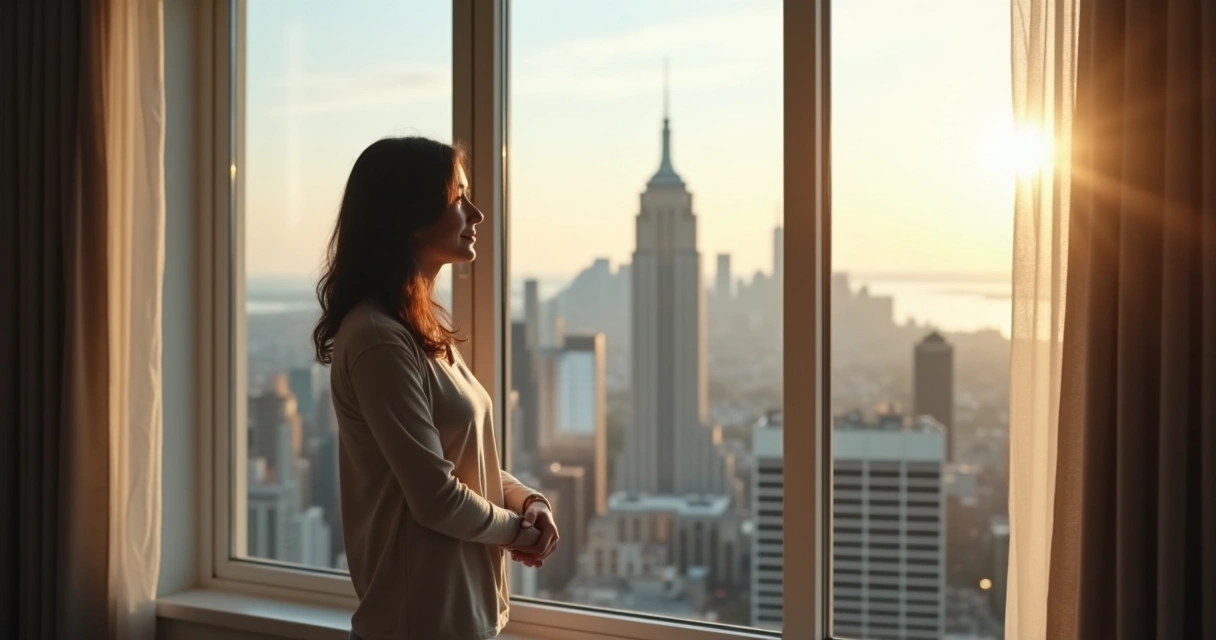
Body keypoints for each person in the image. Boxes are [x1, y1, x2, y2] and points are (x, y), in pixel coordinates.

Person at [312, 136, 559, 640]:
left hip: (458, 616)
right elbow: (437, 497)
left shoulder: (417, 328)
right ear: (409, 217)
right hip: (418, 622)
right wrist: (518, 533)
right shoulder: (379, 338)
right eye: (457, 199)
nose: (476, 214)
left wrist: (527, 501)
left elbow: (461, 459)